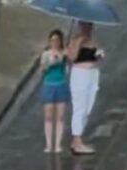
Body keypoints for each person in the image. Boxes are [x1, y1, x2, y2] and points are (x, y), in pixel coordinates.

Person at [67, 21, 104, 155]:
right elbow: (72, 58)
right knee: (80, 107)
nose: (87, 28)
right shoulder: (76, 39)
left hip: (93, 74)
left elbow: (95, 58)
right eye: (84, 25)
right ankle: (77, 141)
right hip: (80, 75)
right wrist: (79, 42)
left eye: (90, 25)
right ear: (80, 26)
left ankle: (77, 139)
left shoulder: (93, 41)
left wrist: (99, 55)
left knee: (88, 107)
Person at [40, 30, 71, 154]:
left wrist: (65, 57)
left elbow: (70, 65)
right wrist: (50, 63)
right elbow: (42, 69)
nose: (55, 42)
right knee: (48, 116)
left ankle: (57, 144)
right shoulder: (46, 54)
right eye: (52, 40)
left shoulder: (64, 53)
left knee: (60, 116)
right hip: (49, 85)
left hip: (61, 85)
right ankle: (49, 144)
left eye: (57, 40)